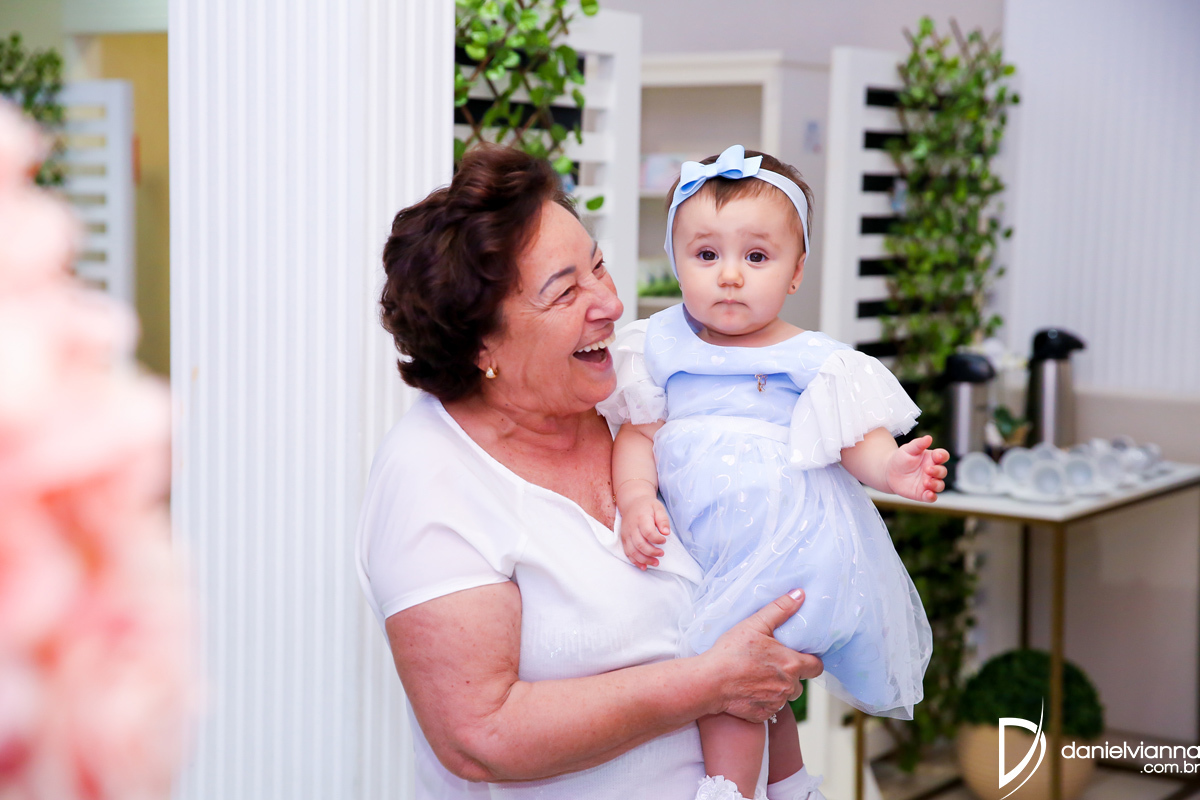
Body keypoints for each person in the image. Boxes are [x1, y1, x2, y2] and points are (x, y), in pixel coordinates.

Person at [355, 143, 825, 800]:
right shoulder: (431, 479)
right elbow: (480, 736)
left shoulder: (639, 387)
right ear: (482, 343)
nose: (610, 302)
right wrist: (711, 683)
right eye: (566, 291)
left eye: (598, 266)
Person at [601, 145, 946, 800]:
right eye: (707, 255)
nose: (730, 276)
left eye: (756, 257)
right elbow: (637, 434)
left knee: (727, 673)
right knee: (763, 687)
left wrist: (892, 469)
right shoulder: (660, 346)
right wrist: (638, 497)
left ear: (795, 271)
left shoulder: (812, 359)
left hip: (785, 545)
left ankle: (727, 792)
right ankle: (792, 788)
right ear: (675, 260)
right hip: (710, 548)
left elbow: (852, 439)